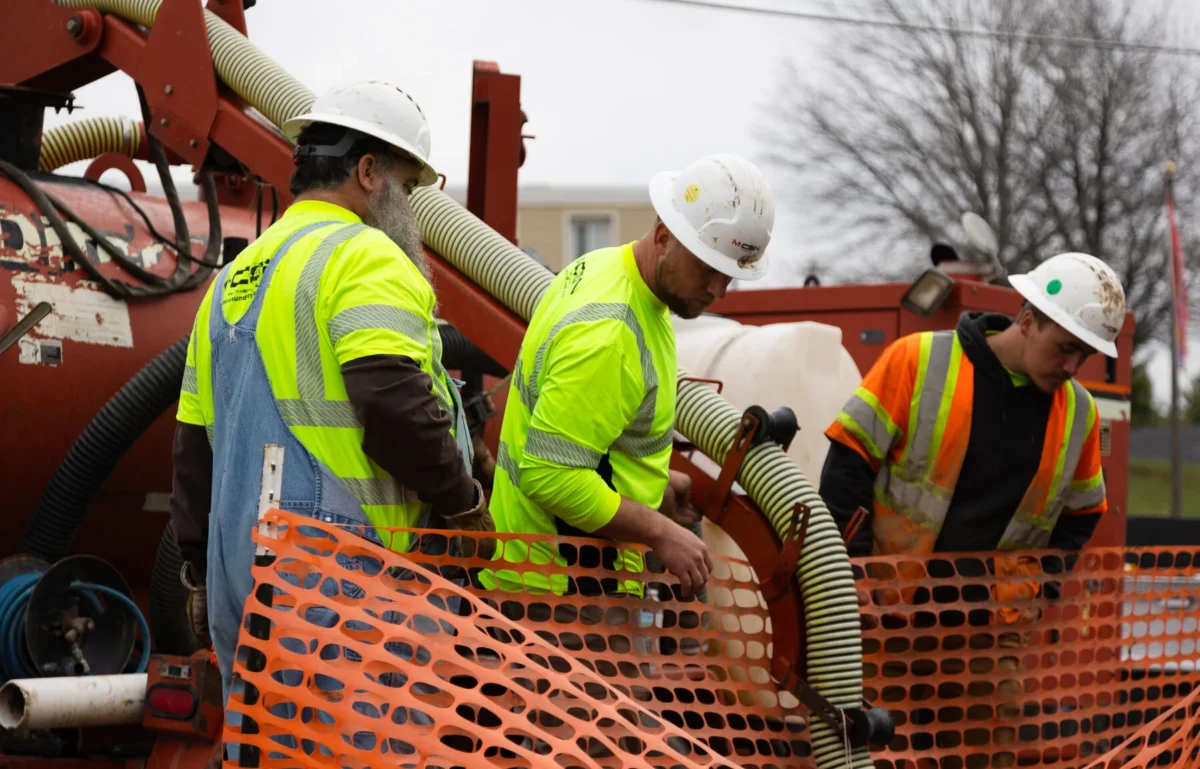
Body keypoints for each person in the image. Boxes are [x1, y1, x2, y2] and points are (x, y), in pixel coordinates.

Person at [168, 80, 491, 702]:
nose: (411, 204)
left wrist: (201, 570)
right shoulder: (365, 255)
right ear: (370, 171)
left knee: (261, 747)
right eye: (409, 184)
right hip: (339, 570)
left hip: (240, 565)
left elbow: (193, 443)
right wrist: (462, 502)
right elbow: (392, 402)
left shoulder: (233, 278)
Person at [820, 251, 1125, 767]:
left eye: (1085, 356)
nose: (1073, 367)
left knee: (982, 757)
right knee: (873, 753)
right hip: (888, 612)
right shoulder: (916, 360)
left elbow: (1083, 513)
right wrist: (855, 571)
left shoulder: (1078, 413)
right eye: (1066, 349)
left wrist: (1042, 585)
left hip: (988, 632)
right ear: (1028, 322)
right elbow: (847, 466)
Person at [485, 153, 776, 598]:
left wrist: (652, 487)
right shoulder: (611, 333)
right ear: (664, 236)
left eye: (729, 276)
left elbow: (595, 442)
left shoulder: (606, 269)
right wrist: (660, 531)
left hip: (548, 570)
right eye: (707, 269)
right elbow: (550, 475)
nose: (717, 291)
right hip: (566, 588)